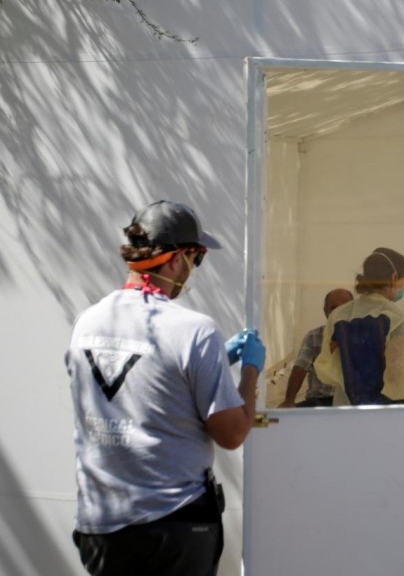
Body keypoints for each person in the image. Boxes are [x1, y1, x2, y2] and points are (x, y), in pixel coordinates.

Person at [65, 200, 266, 576]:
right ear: (178, 258)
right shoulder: (194, 329)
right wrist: (251, 372)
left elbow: (137, 382)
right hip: (173, 523)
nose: (193, 272)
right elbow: (232, 433)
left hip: (100, 525)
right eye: (197, 259)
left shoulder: (87, 322)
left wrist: (214, 362)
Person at [314, 248, 404, 406]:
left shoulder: (338, 315)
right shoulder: (397, 319)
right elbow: (401, 380)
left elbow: (326, 369)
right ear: (393, 278)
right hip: (384, 413)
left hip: (345, 407)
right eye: (402, 281)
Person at [278, 288, 354, 408]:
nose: (339, 312)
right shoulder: (314, 336)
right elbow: (299, 369)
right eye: (333, 308)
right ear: (325, 312)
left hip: (352, 402)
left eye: (345, 307)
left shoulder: (362, 337)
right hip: (320, 401)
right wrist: (289, 400)